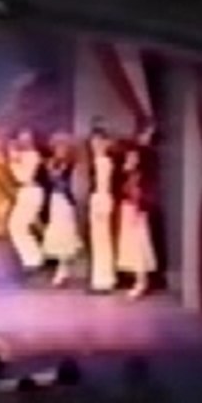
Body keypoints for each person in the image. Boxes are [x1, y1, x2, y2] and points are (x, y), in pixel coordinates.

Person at [116, 140, 158, 299]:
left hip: (137, 212)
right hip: (127, 209)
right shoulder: (126, 173)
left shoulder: (140, 175)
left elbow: (139, 194)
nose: (130, 159)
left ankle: (141, 282)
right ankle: (139, 280)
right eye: (129, 156)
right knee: (132, 246)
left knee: (139, 245)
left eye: (133, 156)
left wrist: (138, 209)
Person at [41, 133, 82, 287]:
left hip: (65, 201)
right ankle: (62, 269)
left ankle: (63, 269)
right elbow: (51, 180)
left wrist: (53, 171)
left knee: (65, 232)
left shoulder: (70, 164)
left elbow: (62, 181)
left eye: (63, 146)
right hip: (55, 200)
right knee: (57, 231)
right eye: (57, 147)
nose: (60, 149)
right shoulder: (52, 162)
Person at [5, 129, 45, 276]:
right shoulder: (24, 155)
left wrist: (13, 158)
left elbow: (22, 176)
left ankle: (34, 260)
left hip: (31, 192)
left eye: (27, 139)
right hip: (26, 192)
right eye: (21, 138)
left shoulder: (32, 155)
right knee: (17, 226)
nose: (24, 142)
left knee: (17, 226)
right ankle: (32, 259)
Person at [86, 127, 117, 292]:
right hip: (99, 199)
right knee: (99, 242)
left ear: (105, 143)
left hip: (101, 200)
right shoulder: (99, 160)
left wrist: (99, 206)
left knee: (102, 242)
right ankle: (100, 280)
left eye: (99, 141)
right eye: (93, 142)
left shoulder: (103, 161)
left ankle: (104, 281)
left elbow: (102, 186)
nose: (95, 145)